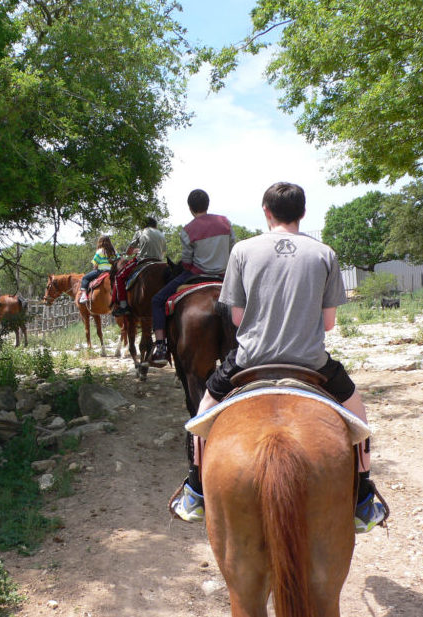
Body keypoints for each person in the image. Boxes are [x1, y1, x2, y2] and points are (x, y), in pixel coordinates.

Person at [171, 182, 389, 534]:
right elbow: (329, 324)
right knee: (357, 413)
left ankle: (195, 490)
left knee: (203, 413)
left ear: (266, 213)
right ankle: (363, 497)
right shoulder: (325, 254)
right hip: (311, 362)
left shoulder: (242, 251)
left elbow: (238, 319)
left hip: (249, 360)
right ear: (303, 213)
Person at [150, 189, 234, 363]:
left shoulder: (187, 230)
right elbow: (232, 248)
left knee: (157, 301)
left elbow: (187, 261)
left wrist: (190, 266)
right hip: (224, 276)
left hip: (197, 274)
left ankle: (161, 347)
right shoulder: (225, 223)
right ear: (207, 204)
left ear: (190, 208)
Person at [112, 217, 167, 316]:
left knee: (119, 277)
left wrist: (136, 250)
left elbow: (128, 252)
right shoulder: (161, 234)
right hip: (159, 261)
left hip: (143, 260)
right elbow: (163, 251)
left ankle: (123, 306)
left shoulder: (141, 232)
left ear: (144, 225)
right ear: (155, 225)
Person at [78, 235, 117, 303]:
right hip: (112, 271)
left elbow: (95, 263)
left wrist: (95, 268)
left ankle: (84, 296)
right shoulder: (114, 251)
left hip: (101, 271)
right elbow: (117, 260)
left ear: (100, 242)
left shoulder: (100, 251)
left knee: (85, 278)